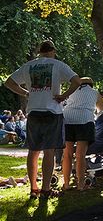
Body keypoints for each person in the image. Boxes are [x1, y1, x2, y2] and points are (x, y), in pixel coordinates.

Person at [4, 40, 81, 199]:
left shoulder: (29, 66)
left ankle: (33, 188)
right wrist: (64, 96)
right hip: (52, 111)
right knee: (49, 151)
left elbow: (9, 82)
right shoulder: (58, 65)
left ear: (40, 51)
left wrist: (26, 93)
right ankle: (46, 189)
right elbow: (77, 81)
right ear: (53, 51)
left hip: (33, 112)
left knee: (33, 152)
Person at [61, 77, 103, 191]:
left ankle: (66, 184)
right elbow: (100, 111)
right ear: (91, 85)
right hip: (84, 121)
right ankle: (80, 185)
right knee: (80, 156)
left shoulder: (72, 91)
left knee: (67, 155)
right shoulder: (95, 93)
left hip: (68, 119)